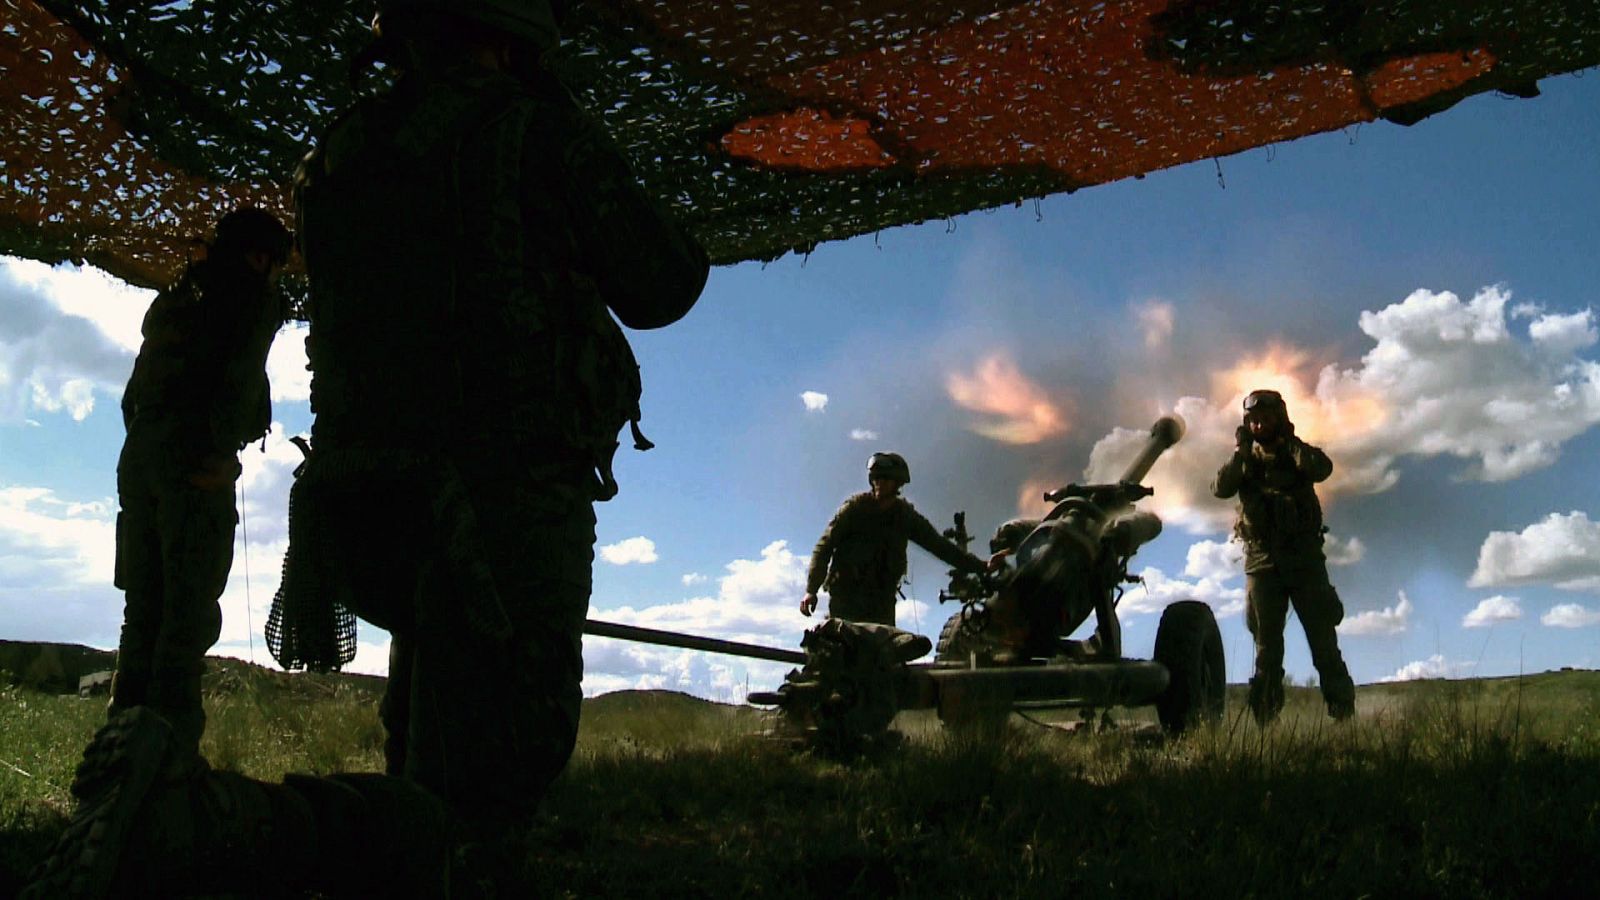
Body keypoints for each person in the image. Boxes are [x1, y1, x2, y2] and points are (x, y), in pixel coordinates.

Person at [25, 0, 708, 895]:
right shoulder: (535, 134)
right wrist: (567, 118)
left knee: (424, 741)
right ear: (512, 36)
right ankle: (195, 825)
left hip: (369, 496)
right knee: (486, 792)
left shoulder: (339, 153)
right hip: (500, 502)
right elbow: (663, 283)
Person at [108, 206, 291, 756]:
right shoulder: (249, 297)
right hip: (193, 461)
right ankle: (163, 768)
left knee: (142, 610)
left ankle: (116, 757)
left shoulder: (175, 300)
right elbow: (238, 377)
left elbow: (132, 393)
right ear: (258, 255)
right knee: (184, 618)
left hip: (139, 454)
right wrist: (218, 453)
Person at [1212, 389, 1356, 724]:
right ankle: (1266, 722)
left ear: (1279, 417)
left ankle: (1343, 714)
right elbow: (1220, 487)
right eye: (1253, 419)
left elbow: (1322, 469)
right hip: (1263, 564)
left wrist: (1291, 444)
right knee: (1266, 651)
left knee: (1323, 643)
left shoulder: (1297, 454)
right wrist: (1240, 451)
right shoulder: (1245, 460)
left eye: (1266, 417)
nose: (1260, 423)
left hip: (1304, 562)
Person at [801, 452, 992, 626]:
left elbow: (939, 546)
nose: (879, 482)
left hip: (881, 600)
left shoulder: (904, 516)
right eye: (876, 478)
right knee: (841, 650)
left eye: (885, 478)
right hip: (847, 596)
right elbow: (824, 547)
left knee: (882, 654)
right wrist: (811, 590)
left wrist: (982, 566)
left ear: (898, 483)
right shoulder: (855, 509)